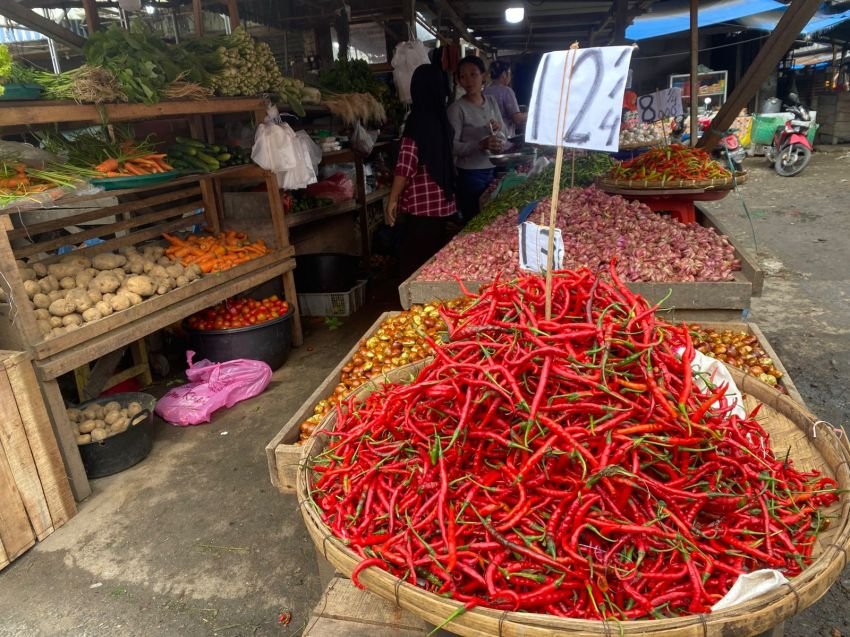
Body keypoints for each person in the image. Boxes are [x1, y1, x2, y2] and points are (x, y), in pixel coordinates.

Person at [385, 64, 458, 279]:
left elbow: (406, 164)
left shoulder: (417, 120)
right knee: (435, 258)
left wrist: (392, 199)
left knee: (413, 261)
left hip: (421, 205)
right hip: (443, 202)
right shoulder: (442, 119)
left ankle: (413, 305)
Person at [447, 55, 507, 223]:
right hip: (469, 175)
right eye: (463, 76)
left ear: (484, 76)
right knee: (474, 221)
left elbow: (504, 133)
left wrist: (497, 135)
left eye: (473, 74)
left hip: (493, 169)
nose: (468, 80)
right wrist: (480, 144)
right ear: (458, 81)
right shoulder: (456, 109)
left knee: (492, 219)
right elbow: (452, 147)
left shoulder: (492, 102)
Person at [484, 60, 527, 139]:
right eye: (510, 73)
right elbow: (517, 119)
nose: (511, 76)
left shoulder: (485, 91)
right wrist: (530, 114)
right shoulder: (506, 91)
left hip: (488, 137)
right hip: (504, 137)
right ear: (504, 74)